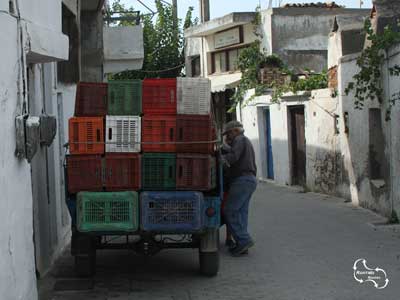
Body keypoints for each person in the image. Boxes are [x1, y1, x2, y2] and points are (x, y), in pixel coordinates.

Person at [221, 120, 257, 256]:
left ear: (235, 131)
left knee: (229, 210)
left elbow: (233, 157)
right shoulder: (243, 141)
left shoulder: (240, 140)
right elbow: (234, 153)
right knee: (241, 213)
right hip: (249, 180)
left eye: (228, 133)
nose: (227, 137)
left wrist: (220, 159)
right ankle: (241, 244)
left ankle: (244, 240)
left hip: (242, 180)